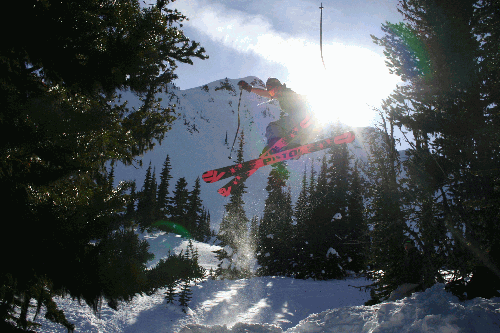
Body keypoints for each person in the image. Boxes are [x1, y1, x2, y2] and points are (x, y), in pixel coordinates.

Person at [237, 78, 314, 154]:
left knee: (272, 127)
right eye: (270, 93)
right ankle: (292, 149)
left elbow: (303, 103)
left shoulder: (287, 93)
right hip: (305, 129)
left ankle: (275, 146)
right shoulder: (282, 94)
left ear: (278, 87)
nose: (272, 95)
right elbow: (264, 93)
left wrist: (309, 115)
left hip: (303, 121)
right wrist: (249, 88)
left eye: (272, 91)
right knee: (283, 134)